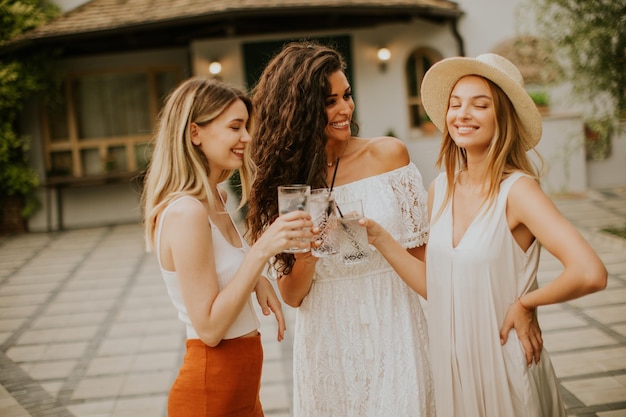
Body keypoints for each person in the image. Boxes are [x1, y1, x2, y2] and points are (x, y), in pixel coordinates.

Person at [361, 53, 607, 416]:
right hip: (452, 364)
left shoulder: (519, 192)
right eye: (455, 104)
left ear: (502, 117)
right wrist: (379, 237)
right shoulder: (440, 189)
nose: (462, 114)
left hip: (504, 359)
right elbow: (437, 285)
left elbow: (590, 273)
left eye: (480, 105)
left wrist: (526, 303)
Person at [246, 41, 435, 416]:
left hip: (394, 323)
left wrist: (379, 237)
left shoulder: (389, 156)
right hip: (327, 340)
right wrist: (307, 256)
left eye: (346, 95)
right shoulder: (288, 184)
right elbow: (293, 296)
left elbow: (428, 274)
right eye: (329, 101)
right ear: (298, 111)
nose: (345, 109)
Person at [141, 77, 315, 417]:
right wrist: (261, 251)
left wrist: (255, 278)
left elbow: (221, 273)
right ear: (195, 133)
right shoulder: (186, 211)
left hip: (243, 389)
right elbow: (208, 328)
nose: (247, 138)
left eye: (246, 126)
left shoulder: (218, 197)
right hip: (211, 392)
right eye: (235, 127)